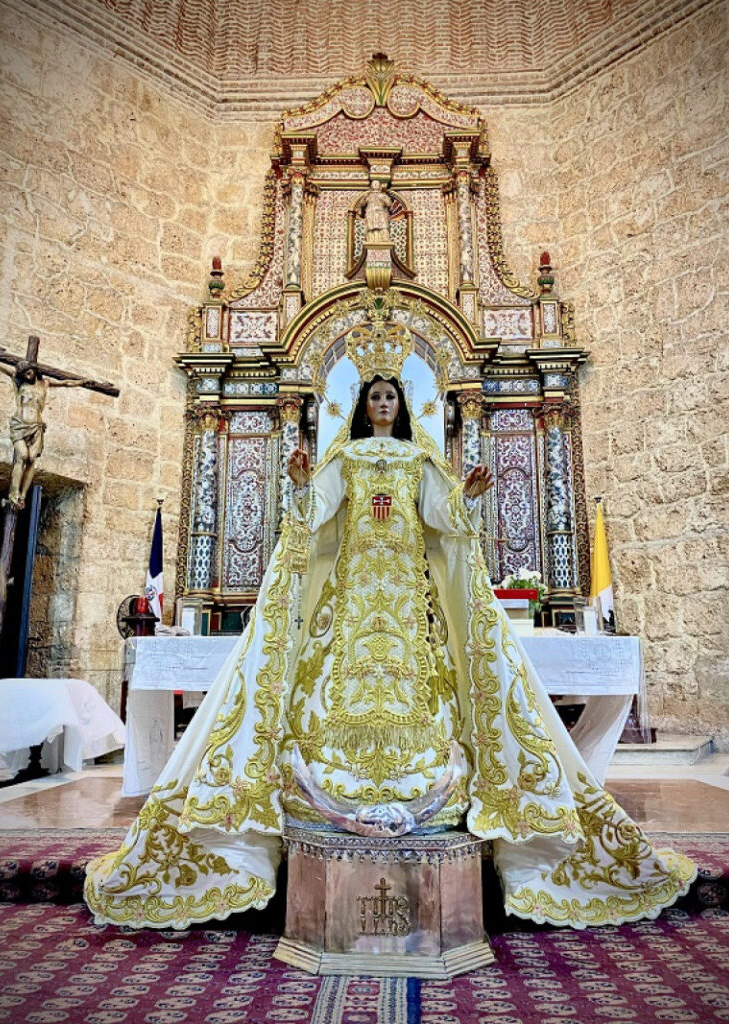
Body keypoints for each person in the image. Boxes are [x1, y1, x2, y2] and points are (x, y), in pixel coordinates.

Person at [84, 339, 695, 931]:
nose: (382, 405)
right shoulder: (345, 460)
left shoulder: (419, 460)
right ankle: (333, 787)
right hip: (352, 600)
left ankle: (429, 785)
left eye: (390, 398)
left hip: (405, 598)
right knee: (335, 688)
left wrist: (469, 500)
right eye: (374, 397)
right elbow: (315, 517)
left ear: (402, 406)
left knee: (425, 686)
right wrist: (300, 486)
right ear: (362, 405)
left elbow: (441, 519)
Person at [0, 358, 93, 509]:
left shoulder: (45, 384)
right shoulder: (19, 383)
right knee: (22, 456)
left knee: (32, 459)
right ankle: (13, 494)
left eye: (29, 372)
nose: (27, 376)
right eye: (24, 374)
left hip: (37, 427)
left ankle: (22, 496)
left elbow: (66, 383)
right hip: (20, 425)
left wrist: (83, 381)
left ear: (34, 371)